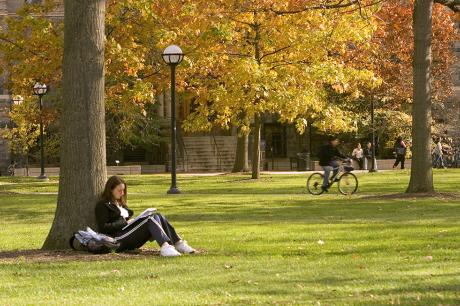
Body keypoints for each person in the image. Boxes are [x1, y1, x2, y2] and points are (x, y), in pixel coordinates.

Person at [95, 176, 195, 257]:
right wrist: (125, 223)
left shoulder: (120, 203)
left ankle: (178, 243)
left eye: (123, 191)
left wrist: (132, 222)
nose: (122, 193)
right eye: (119, 190)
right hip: (117, 238)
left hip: (128, 233)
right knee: (150, 218)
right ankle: (165, 247)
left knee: (157, 215)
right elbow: (104, 228)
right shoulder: (103, 205)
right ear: (111, 189)